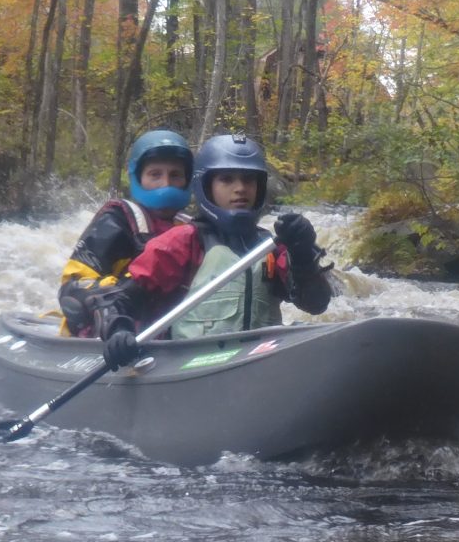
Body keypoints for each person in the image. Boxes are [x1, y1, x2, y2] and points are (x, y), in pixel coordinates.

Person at [89, 133, 330, 367]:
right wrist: (118, 329)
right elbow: (121, 297)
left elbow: (316, 304)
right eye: (226, 179)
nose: (240, 189)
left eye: (248, 180)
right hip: (195, 368)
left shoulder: (271, 246)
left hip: (259, 362)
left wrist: (302, 254)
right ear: (206, 185)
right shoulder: (185, 240)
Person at [57, 128, 194, 335]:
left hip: (173, 335)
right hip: (118, 335)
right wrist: (110, 302)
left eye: (175, 175)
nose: (166, 184)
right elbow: (72, 287)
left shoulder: (192, 227)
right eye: (155, 175)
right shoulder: (117, 220)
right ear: (138, 178)